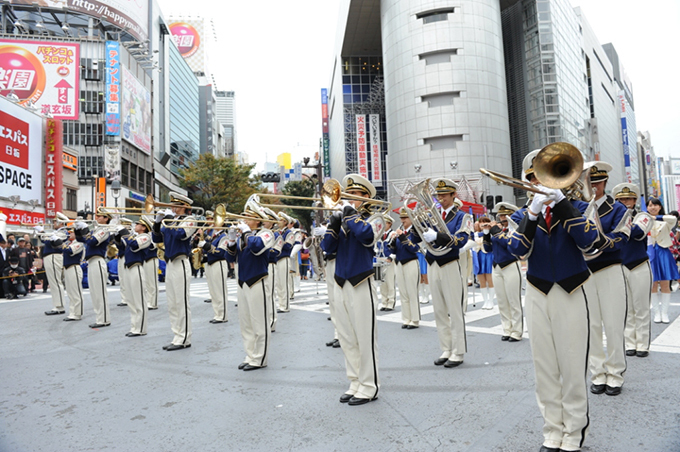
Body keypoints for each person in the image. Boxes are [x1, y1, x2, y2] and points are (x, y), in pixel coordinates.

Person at [507, 150, 601, 452]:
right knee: (544, 367)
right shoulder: (522, 215)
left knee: (572, 366)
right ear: (528, 181)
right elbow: (517, 251)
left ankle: (573, 433)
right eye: (535, 176)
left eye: (547, 174)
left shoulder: (579, 207)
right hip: (537, 291)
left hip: (572, 290)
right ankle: (552, 431)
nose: (542, 182)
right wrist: (532, 215)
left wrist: (561, 205)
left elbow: (589, 242)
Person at [320, 174, 384, 405]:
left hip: (360, 282)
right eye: (348, 195)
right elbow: (327, 247)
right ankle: (355, 381)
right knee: (346, 337)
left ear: (366, 197)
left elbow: (367, 236)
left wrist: (350, 215)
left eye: (354, 195)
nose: (348, 199)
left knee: (364, 338)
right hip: (340, 281)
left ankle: (369, 386)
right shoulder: (344, 218)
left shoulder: (377, 217)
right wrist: (334, 224)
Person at [411, 178, 472, 369]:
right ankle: (446, 348)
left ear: (454, 195)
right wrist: (416, 224)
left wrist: (438, 236)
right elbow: (414, 237)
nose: (440, 198)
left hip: (450, 263)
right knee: (438, 310)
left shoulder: (463, 217)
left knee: (455, 309)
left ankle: (458, 351)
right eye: (438, 195)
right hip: (433, 263)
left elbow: (461, 239)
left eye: (444, 195)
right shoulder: (432, 214)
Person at [585, 162, 631, 397]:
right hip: (585, 273)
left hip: (610, 269)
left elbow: (622, 235)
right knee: (591, 327)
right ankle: (597, 373)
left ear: (604, 183)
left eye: (597, 182)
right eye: (589, 182)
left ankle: (615, 374)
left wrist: (600, 241)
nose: (593, 187)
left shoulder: (617, 208)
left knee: (613, 325)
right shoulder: (578, 208)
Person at [225, 202, 275, 371]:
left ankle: (260, 357)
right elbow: (230, 259)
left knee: (259, 322)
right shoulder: (243, 237)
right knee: (245, 323)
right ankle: (250, 355)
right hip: (242, 281)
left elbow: (256, 246)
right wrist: (231, 241)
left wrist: (246, 232)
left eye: (247, 217)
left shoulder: (267, 234)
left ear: (256, 219)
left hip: (257, 280)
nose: (243, 219)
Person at [152, 193, 197, 351]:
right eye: (172, 205)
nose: (172, 208)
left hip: (181, 263)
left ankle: (184, 337)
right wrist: (157, 223)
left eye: (176, 206)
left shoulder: (190, 220)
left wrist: (169, 221)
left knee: (181, 302)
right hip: (170, 263)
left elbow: (181, 235)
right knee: (172, 303)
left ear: (184, 207)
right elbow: (157, 240)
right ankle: (177, 335)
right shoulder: (170, 221)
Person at [612, 184, 652, 357]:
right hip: (620, 266)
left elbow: (637, 231)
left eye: (628, 199)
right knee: (626, 308)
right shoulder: (612, 217)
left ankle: (642, 344)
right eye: (620, 199)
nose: (624, 202)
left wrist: (622, 221)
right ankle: (630, 343)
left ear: (635, 200)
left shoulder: (643, 216)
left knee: (641, 307)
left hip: (639, 265)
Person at [485, 202, 523, 342]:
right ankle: (507, 329)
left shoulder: (515, 229)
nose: (502, 218)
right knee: (501, 300)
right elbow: (487, 249)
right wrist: (486, 234)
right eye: (501, 215)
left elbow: (510, 245)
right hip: (497, 267)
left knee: (514, 300)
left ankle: (517, 331)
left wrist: (498, 232)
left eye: (505, 215)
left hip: (511, 265)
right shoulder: (497, 230)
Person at [75, 209, 113, 329]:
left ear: (106, 218)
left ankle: (104, 319)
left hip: (98, 261)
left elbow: (92, 241)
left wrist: (85, 229)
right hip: (91, 262)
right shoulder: (96, 230)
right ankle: (99, 318)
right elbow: (81, 239)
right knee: (94, 293)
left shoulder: (104, 230)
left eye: (100, 216)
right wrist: (77, 229)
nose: (97, 218)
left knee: (100, 292)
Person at [647, 197, 679, 324]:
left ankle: (664, 313)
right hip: (650, 252)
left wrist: (656, 218)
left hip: (664, 252)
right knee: (653, 284)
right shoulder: (644, 220)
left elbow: (674, 219)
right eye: (650, 205)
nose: (652, 207)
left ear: (660, 207)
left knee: (665, 283)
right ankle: (657, 313)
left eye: (655, 205)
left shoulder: (666, 220)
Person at [121, 217, 153, 337]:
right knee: (131, 299)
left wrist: (125, 234)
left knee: (139, 299)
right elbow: (121, 247)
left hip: (137, 268)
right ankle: (134, 326)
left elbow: (134, 245)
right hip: (128, 268)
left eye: (139, 224)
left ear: (144, 227)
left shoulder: (146, 237)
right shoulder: (134, 236)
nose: (136, 225)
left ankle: (141, 328)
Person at [389, 207, 421, 329]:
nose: (402, 220)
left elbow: (414, 248)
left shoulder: (415, 232)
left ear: (411, 218)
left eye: (405, 218)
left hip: (411, 262)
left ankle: (415, 319)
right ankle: (406, 318)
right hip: (399, 263)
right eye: (401, 218)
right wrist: (392, 241)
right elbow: (393, 249)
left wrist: (402, 237)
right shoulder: (400, 231)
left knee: (412, 292)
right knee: (403, 292)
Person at [38, 214, 69, 316]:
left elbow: (53, 243)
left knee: (56, 281)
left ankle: (60, 306)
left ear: (61, 223)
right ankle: (57, 305)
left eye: (55, 222)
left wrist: (45, 234)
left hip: (54, 256)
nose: (53, 223)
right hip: (50, 257)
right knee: (53, 281)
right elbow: (44, 240)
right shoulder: (55, 232)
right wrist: (40, 232)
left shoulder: (63, 233)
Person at [202, 217, 230, 324]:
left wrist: (205, 244)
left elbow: (220, 252)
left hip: (219, 263)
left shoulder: (224, 236)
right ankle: (217, 314)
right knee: (213, 291)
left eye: (215, 222)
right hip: (210, 263)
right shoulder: (215, 236)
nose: (213, 224)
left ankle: (222, 315)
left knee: (220, 290)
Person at [62, 228, 86, 322]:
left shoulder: (79, 243)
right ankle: (72, 312)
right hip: (68, 268)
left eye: (71, 232)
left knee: (76, 292)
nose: (69, 234)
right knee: (70, 292)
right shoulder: (70, 242)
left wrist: (61, 242)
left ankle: (78, 313)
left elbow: (69, 251)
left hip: (74, 268)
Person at [274, 212, 294, 313]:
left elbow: (288, 246)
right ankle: (281, 304)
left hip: (284, 258)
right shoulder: (277, 232)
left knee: (284, 283)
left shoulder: (289, 233)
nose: (278, 222)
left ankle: (285, 306)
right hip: (277, 259)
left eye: (280, 220)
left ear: (285, 222)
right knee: (278, 284)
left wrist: (278, 238)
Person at [376, 216, 396, 311]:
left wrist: (391, 257)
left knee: (389, 282)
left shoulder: (393, 234)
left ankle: (391, 302)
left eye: (386, 223)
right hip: (380, 259)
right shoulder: (380, 234)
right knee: (382, 283)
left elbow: (395, 248)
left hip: (389, 260)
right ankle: (384, 302)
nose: (383, 225)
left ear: (390, 224)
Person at [474, 217, 495, 310]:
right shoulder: (475, 234)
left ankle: (491, 301)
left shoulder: (491, 233)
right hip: (478, 257)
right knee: (481, 280)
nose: (483, 224)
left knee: (490, 279)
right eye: (481, 222)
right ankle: (485, 301)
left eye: (485, 222)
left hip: (488, 256)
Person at [116, 218, 134, 307]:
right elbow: (119, 246)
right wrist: (116, 236)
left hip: (128, 257)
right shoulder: (121, 234)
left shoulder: (132, 234)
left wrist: (123, 233)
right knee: (122, 278)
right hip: (121, 256)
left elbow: (127, 244)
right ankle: (124, 299)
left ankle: (130, 297)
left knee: (128, 279)